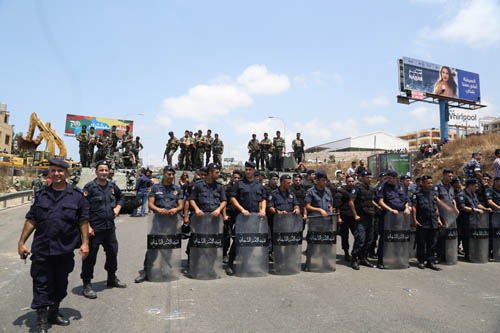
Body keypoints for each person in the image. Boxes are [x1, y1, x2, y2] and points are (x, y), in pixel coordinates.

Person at [18, 158, 89, 332]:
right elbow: (31, 220)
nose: (57, 174)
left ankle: (54, 312)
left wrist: (85, 242)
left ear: (67, 173)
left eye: (60, 171)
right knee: (41, 283)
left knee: (61, 284)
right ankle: (41, 320)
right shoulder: (42, 195)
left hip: (64, 249)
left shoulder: (77, 196)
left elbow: (83, 221)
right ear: (49, 173)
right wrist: (21, 242)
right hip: (42, 248)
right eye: (53, 170)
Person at [80, 160, 126, 299]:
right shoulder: (90, 188)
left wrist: (118, 207)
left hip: (109, 228)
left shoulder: (112, 186)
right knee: (90, 258)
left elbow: (121, 197)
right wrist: (87, 226)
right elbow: (82, 209)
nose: (104, 173)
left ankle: (111, 278)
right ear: (96, 172)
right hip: (94, 229)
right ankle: (87, 284)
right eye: (101, 170)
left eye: (106, 170)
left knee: (112, 253)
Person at [135, 166, 184, 283]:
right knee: (153, 246)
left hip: (172, 222)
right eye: (169, 174)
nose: (171, 177)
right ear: (164, 174)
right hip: (158, 221)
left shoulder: (177, 188)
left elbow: (181, 205)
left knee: (169, 246)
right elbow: (150, 204)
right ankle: (147, 271)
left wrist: (176, 210)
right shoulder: (156, 188)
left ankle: (165, 269)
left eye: (172, 174)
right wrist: (158, 209)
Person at [226, 161, 266, 275]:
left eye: (250, 169)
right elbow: (233, 198)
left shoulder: (259, 185)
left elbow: (263, 199)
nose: (248, 171)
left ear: (254, 170)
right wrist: (242, 209)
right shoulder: (239, 184)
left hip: (255, 218)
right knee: (237, 241)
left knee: (252, 241)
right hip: (242, 218)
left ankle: (246, 263)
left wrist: (262, 210)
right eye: (246, 169)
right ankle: (230, 264)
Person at [187, 163, 227, 270]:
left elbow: (224, 201)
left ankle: (211, 266)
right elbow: (192, 199)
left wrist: (218, 210)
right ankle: (194, 265)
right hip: (200, 219)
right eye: (217, 172)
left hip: (214, 219)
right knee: (198, 242)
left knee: (213, 242)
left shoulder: (219, 186)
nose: (219, 174)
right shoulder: (199, 185)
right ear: (210, 173)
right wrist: (196, 209)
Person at [377, 170, 411, 269]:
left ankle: (399, 258)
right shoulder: (383, 186)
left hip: (401, 217)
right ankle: (381, 261)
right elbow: (380, 201)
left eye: (390, 178)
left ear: (395, 178)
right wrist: (391, 210)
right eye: (387, 178)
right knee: (385, 238)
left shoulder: (403, 186)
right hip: (388, 216)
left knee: (399, 237)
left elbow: (406, 200)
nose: (387, 179)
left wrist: (407, 207)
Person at [412, 175, 442, 270]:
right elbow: (414, 207)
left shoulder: (433, 193)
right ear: (423, 183)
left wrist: (438, 219)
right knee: (421, 243)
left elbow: (436, 208)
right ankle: (421, 261)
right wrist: (414, 220)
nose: (430, 185)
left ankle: (430, 261)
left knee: (432, 244)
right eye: (428, 183)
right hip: (422, 222)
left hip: (433, 221)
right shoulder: (417, 194)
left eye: (431, 183)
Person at [349, 170, 377, 270]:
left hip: (370, 216)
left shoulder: (371, 188)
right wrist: (355, 215)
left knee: (369, 239)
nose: (369, 179)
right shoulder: (356, 188)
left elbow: (370, 200)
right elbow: (351, 202)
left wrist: (377, 206)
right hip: (361, 217)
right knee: (360, 239)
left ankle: (363, 258)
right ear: (362, 178)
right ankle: (354, 259)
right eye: (367, 177)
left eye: (370, 177)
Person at [456, 178, 490, 261]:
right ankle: (468, 255)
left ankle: (474, 253)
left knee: (473, 237)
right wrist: (474, 210)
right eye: (475, 186)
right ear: (470, 186)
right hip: (466, 220)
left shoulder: (473, 194)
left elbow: (477, 204)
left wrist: (485, 209)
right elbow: (462, 207)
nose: (477, 187)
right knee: (467, 238)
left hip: (475, 220)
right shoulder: (461, 195)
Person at [334, 175, 356, 261]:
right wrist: (338, 217)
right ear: (346, 182)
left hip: (353, 216)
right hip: (344, 216)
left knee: (357, 235)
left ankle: (356, 252)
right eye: (349, 181)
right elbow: (337, 206)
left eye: (352, 181)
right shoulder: (341, 191)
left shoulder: (355, 190)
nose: (351, 183)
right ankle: (346, 253)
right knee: (345, 236)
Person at [222, 170, 242, 263]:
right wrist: (224, 214)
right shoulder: (227, 188)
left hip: (238, 214)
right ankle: (224, 254)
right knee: (226, 235)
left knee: (237, 234)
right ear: (232, 178)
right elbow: (223, 202)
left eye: (238, 178)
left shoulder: (242, 187)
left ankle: (235, 253)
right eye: (235, 177)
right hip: (229, 213)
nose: (236, 179)